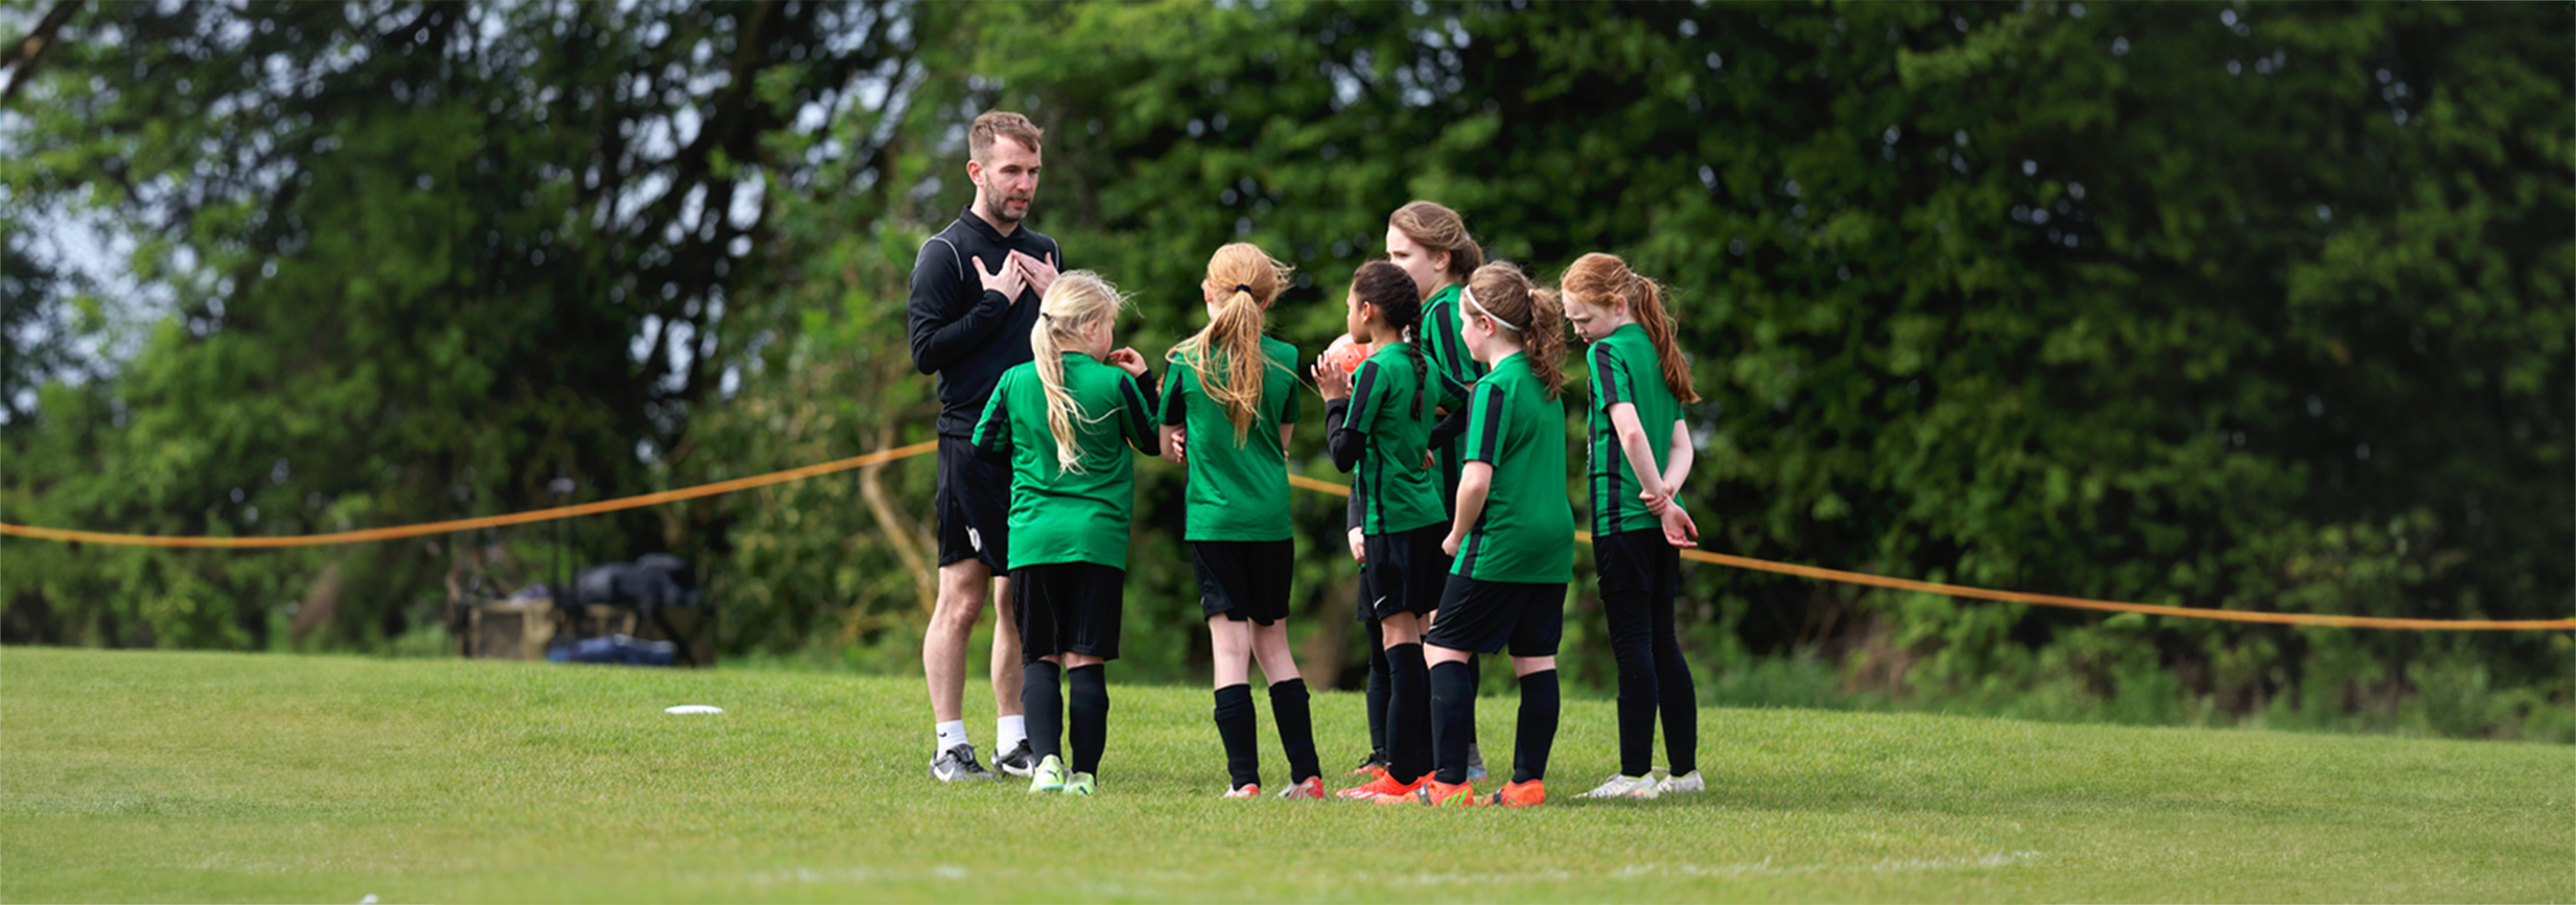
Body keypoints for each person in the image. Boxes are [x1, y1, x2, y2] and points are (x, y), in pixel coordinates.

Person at [906, 110, 1064, 781]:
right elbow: (924, 353)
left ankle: (1013, 740)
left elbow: (1062, 343)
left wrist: (1063, 305)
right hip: (970, 443)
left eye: (1031, 171)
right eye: (1011, 171)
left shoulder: (1048, 248)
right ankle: (949, 745)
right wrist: (995, 303)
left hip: (1034, 444)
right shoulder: (943, 253)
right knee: (963, 597)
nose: (1024, 183)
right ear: (977, 171)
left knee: (1017, 597)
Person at [970, 270, 1160, 797]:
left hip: (1033, 538)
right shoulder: (1114, 383)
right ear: (1094, 327)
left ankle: (1047, 764)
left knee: (1041, 659)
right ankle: (1086, 775)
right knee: (1086, 660)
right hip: (1097, 542)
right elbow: (1151, 437)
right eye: (1111, 326)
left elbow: (984, 448)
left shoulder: (1015, 381)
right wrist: (1144, 379)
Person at [1156, 243, 1326, 801]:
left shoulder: (1183, 359)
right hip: (1271, 524)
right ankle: (1307, 776)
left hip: (1214, 524)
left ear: (1208, 293)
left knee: (1229, 653)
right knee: (1275, 647)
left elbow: (1168, 447)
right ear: (1269, 296)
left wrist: (1183, 440)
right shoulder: (1285, 358)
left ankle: (1244, 782)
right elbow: (1279, 446)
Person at [1408, 262, 1575, 808]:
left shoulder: (1493, 390)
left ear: (1484, 323)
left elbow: (1476, 479)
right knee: (1536, 660)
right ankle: (1527, 783)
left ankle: (1450, 783)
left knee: (1442, 648)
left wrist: (1456, 535)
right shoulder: (1545, 382)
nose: (1457, 332)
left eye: (1462, 322)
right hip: (1553, 543)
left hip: (1503, 538)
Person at [1314, 261, 1466, 802]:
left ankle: (1402, 776)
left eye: (1350, 304)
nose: (1347, 314)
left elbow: (1343, 453)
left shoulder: (1376, 370)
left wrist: (1333, 397)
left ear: (1367, 311)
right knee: (1420, 642)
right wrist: (1427, 443)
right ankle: (1420, 768)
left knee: (1398, 646)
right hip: (1427, 519)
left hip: (1390, 525)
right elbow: (1466, 407)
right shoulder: (1418, 361)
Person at [1562, 253, 1708, 800]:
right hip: (1655, 520)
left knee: (1633, 646)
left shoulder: (1608, 354)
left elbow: (1631, 435)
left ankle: (1633, 775)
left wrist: (1654, 499)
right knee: (1664, 641)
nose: (1579, 333)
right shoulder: (1657, 351)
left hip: (1624, 517)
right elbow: (1681, 445)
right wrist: (1669, 495)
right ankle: (1685, 773)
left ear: (1617, 305)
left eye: (1582, 319)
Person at [1381, 200, 1490, 780]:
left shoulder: (1449, 312)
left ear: (1441, 259)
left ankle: (1460, 756)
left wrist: (1426, 434)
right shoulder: (1429, 311)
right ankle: (1422, 756)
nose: (1392, 267)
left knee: (1446, 629)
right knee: (1428, 627)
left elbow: (1472, 400)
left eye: (1403, 256)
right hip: (1434, 494)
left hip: (1448, 493)